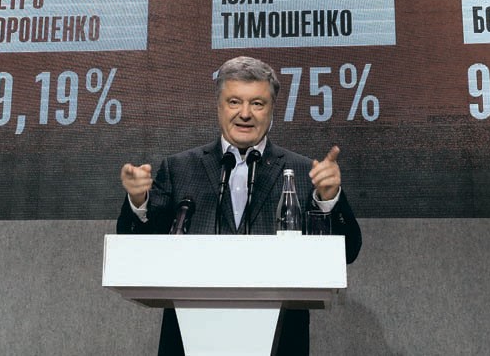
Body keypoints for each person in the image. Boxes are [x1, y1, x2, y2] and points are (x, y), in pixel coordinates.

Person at [117, 56, 362, 356]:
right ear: (219, 106)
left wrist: (329, 198)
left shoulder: (302, 171)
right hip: (188, 340)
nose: (245, 114)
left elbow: (348, 251)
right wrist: (138, 201)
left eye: (257, 104)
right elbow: (139, 249)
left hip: (281, 342)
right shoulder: (180, 169)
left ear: (272, 109)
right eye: (234, 102)